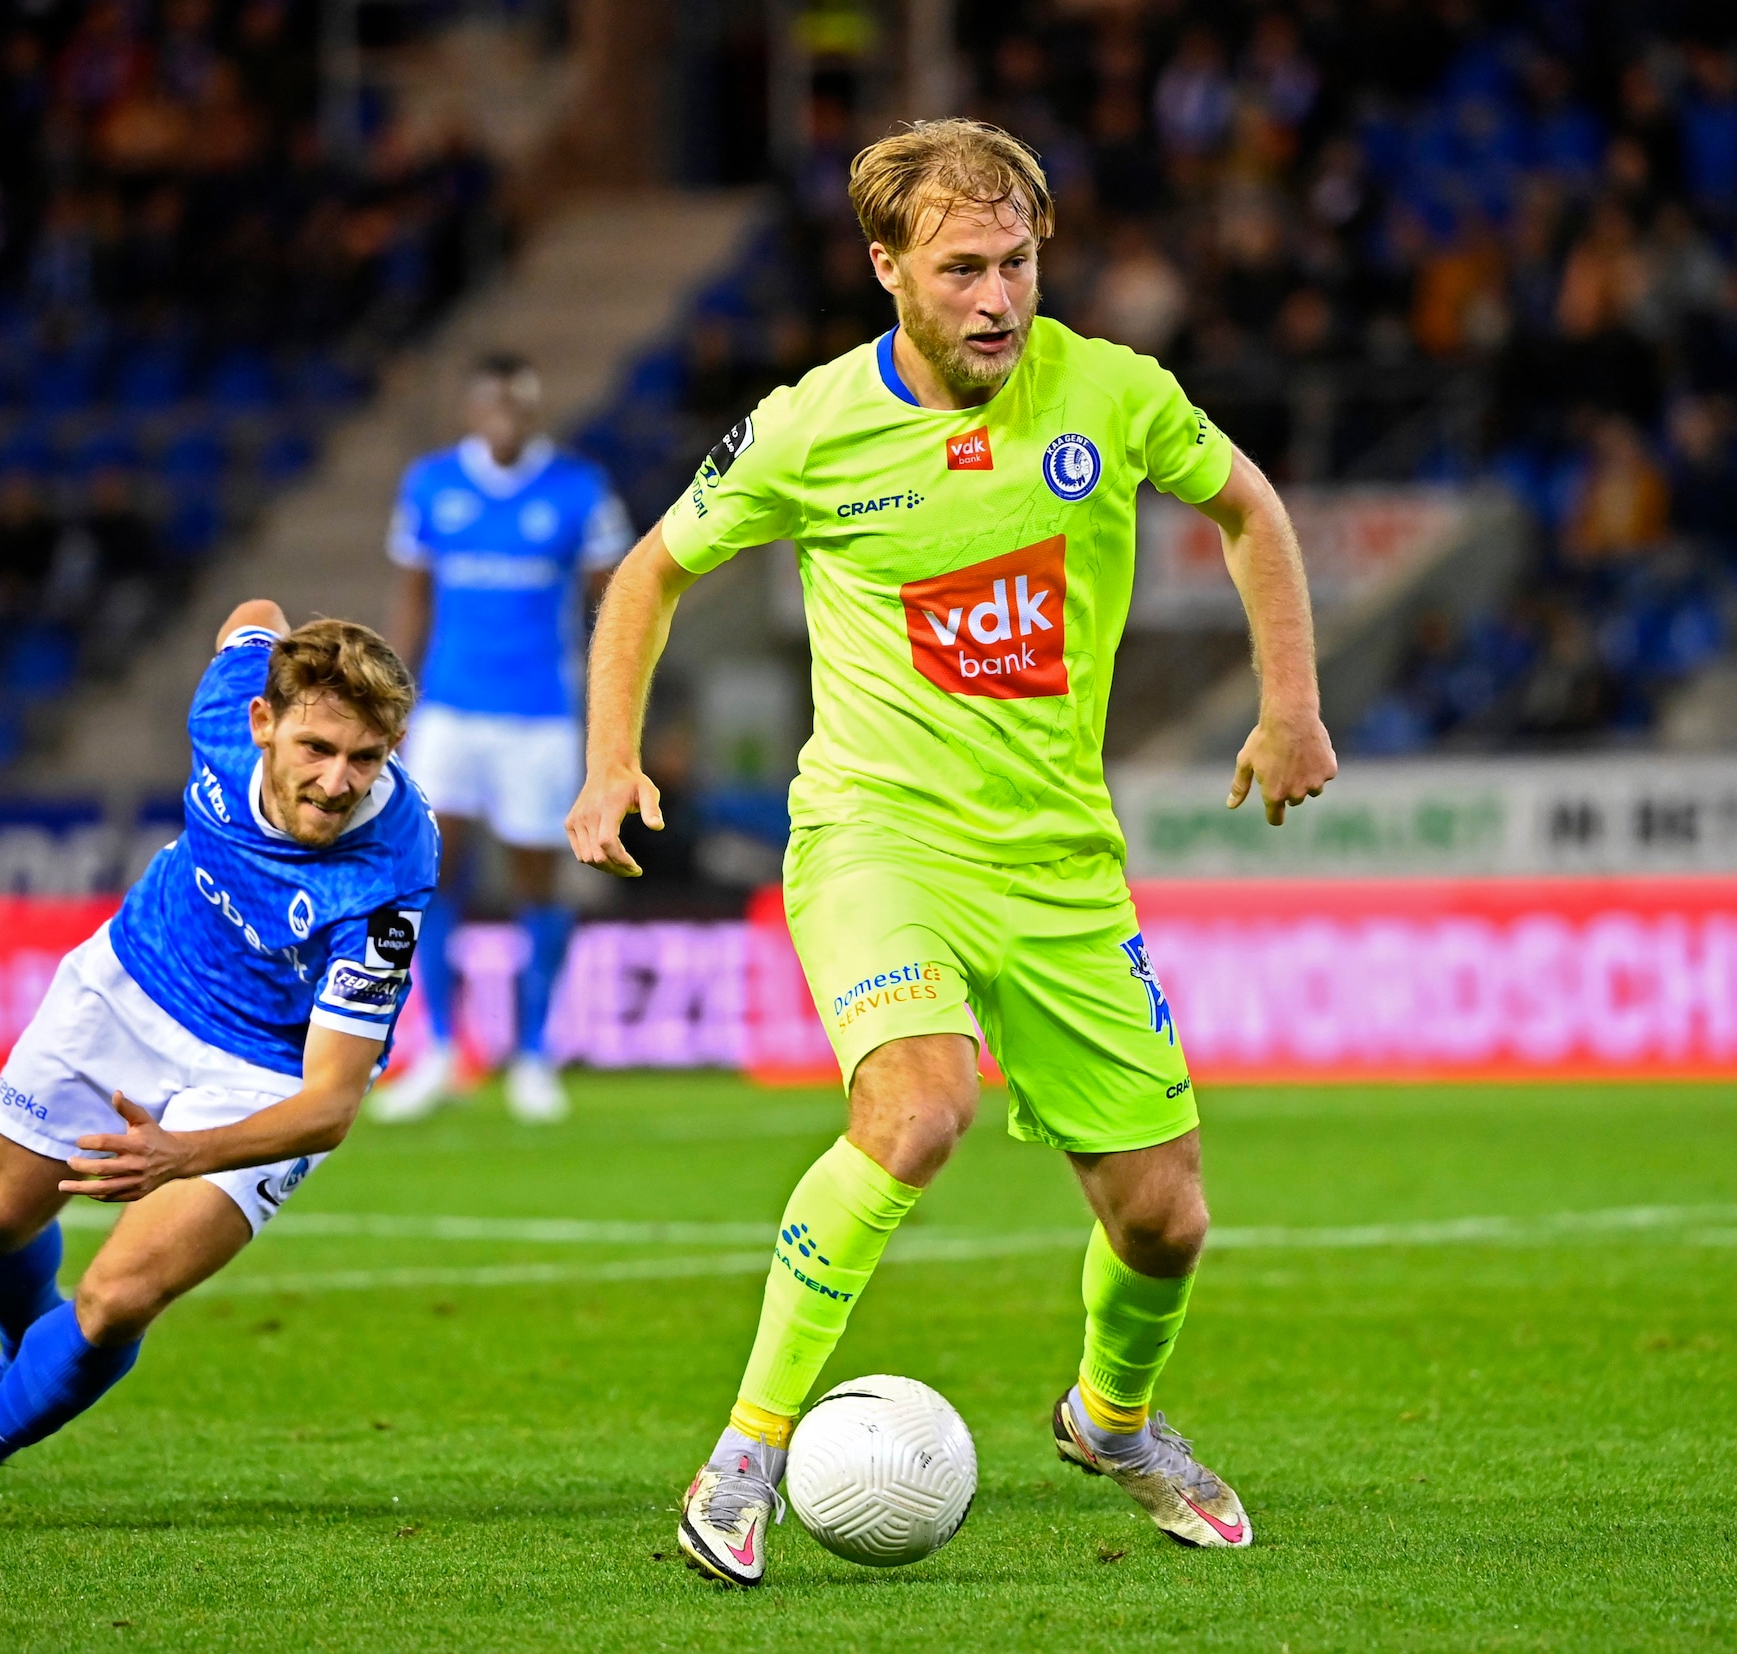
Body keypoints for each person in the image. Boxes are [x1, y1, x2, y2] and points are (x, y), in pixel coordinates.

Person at [566, 119, 1337, 1585]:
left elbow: (1251, 510)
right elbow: (650, 572)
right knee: (920, 1109)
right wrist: (611, 756)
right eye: (965, 267)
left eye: (1021, 262)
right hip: (877, 836)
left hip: (1058, 867)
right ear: (887, 271)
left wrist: (1288, 704)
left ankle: (1111, 1419)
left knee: (1166, 1215)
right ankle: (743, 1454)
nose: (1000, 298)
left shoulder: (1108, 391)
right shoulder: (805, 427)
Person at [0, 606, 438, 1539]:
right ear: (261, 721)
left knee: (119, 1295)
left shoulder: (389, 868)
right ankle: (23, 1348)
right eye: (317, 747)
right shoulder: (222, 704)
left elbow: (330, 1104)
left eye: (367, 759)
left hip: (265, 1072)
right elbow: (254, 618)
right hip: (134, 977)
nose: (338, 783)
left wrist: (181, 1155)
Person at [368, 353, 631, 1125]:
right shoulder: (431, 486)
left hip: (539, 712)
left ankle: (535, 1052)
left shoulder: (578, 491)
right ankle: (443, 1048)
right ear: (472, 408)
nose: (505, 417)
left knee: (535, 881)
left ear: (533, 407)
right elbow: (412, 595)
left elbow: (614, 599)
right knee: (430, 874)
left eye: (518, 404)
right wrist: (388, 694)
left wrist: (613, 698)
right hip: (449, 707)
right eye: (492, 403)